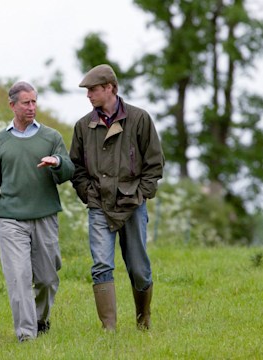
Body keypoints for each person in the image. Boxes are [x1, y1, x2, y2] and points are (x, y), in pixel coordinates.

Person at [0, 81, 74, 342]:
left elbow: (68, 171)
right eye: (26, 103)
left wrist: (57, 162)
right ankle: (27, 336)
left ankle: (41, 320)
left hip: (44, 216)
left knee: (47, 279)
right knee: (19, 278)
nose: (32, 107)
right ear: (12, 105)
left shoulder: (51, 137)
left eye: (34, 102)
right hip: (11, 219)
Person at [69, 64, 164, 331]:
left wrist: (142, 193)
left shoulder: (140, 119)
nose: (88, 95)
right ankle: (108, 331)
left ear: (109, 88)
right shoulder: (82, 127)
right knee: (101, 265)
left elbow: (155, 164)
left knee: (139, 269)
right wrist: (88, 194)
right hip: (99, 204)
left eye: (92, 90)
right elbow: (75, 168)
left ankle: (143, 321)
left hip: (133, 204)